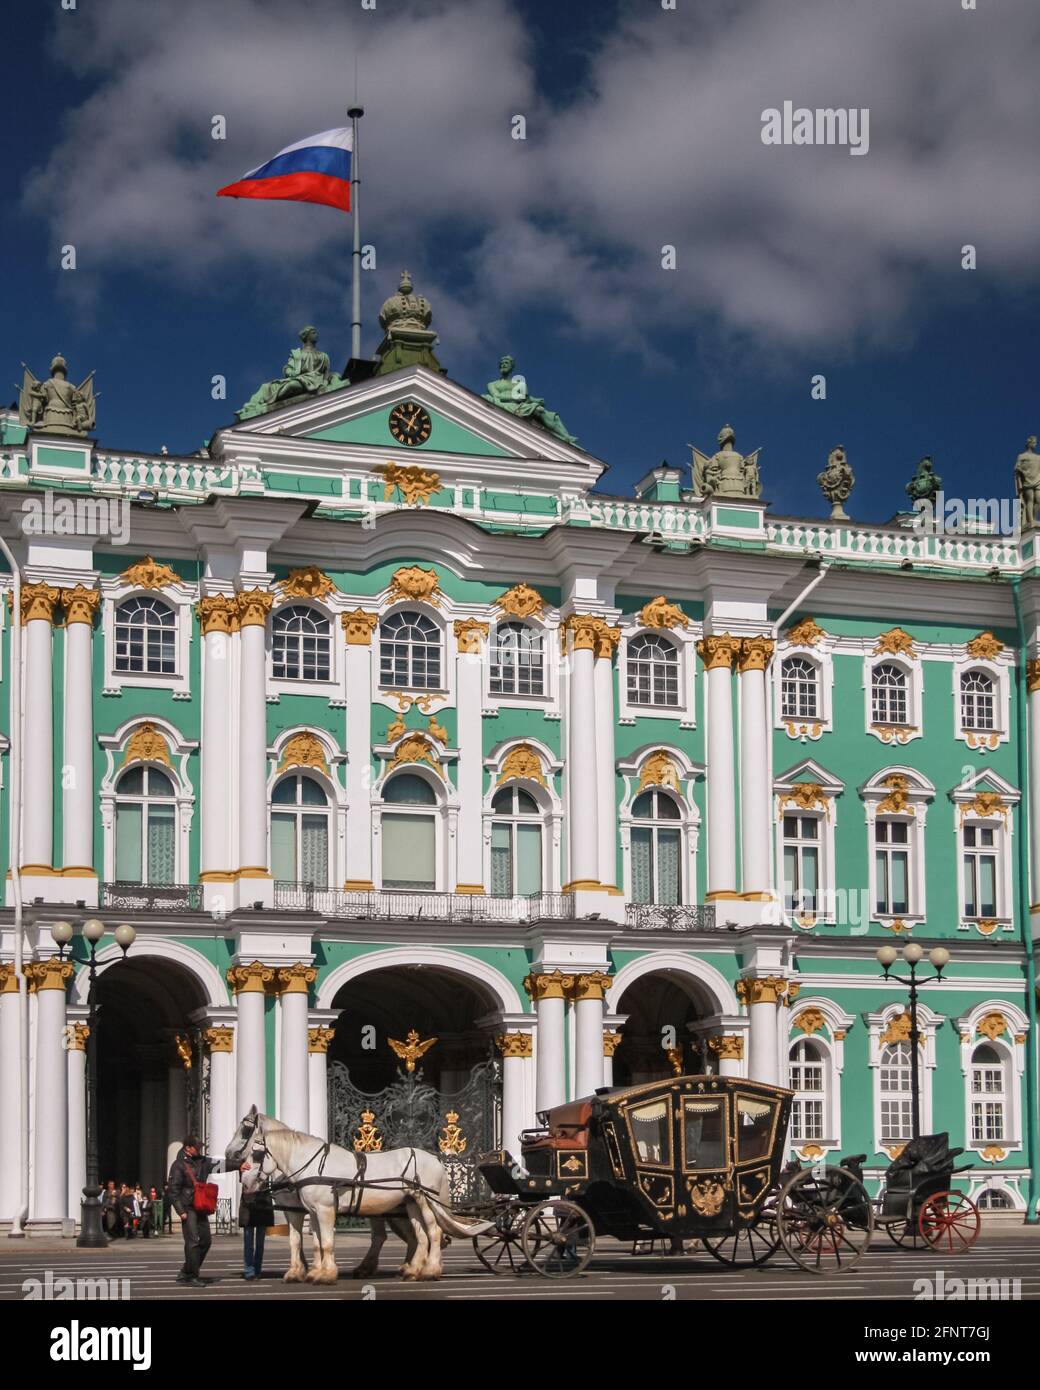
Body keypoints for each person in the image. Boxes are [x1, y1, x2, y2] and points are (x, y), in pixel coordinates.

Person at [167, 1135, 237, 1287]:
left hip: (201, 1206)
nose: (200, 1149)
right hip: (187, 1208)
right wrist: (180, 1211)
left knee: (206, 1241)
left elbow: (221, 1165)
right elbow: (173, 1191)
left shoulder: (204, 1162)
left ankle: (187, 1270)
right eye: (197, 1147)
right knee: (193, 1242)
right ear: (188, 1148)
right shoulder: (178, 1165)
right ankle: (192, 1276)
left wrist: (240, 1165)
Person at [238, 1159, 274, 1281]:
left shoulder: (267, 1162)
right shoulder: (245, 1163)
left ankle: (256, 1270)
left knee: (260, 1243)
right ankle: (249, 1270)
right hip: (248, 1204)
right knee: (249, 1243)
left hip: (263, 1204)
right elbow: (242, 1179)